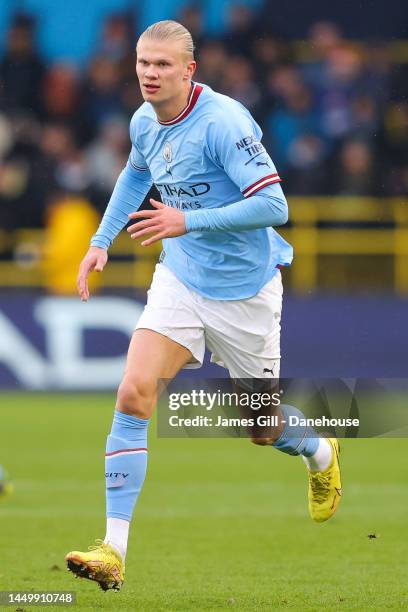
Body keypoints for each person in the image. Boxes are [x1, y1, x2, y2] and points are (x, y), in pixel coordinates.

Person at [65, 20, 342, 592]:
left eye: (163, 64)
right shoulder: (145, 121)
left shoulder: (223, 122)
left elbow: (275, 206)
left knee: (261, 430)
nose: (149, 72)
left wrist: (187, 219)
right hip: (182, 281)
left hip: (246, 293)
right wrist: (100, 241)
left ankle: (318, 448)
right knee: (133, 390)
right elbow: (134, 173)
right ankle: (113, 550)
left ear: (189, 70)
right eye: (143, 62)